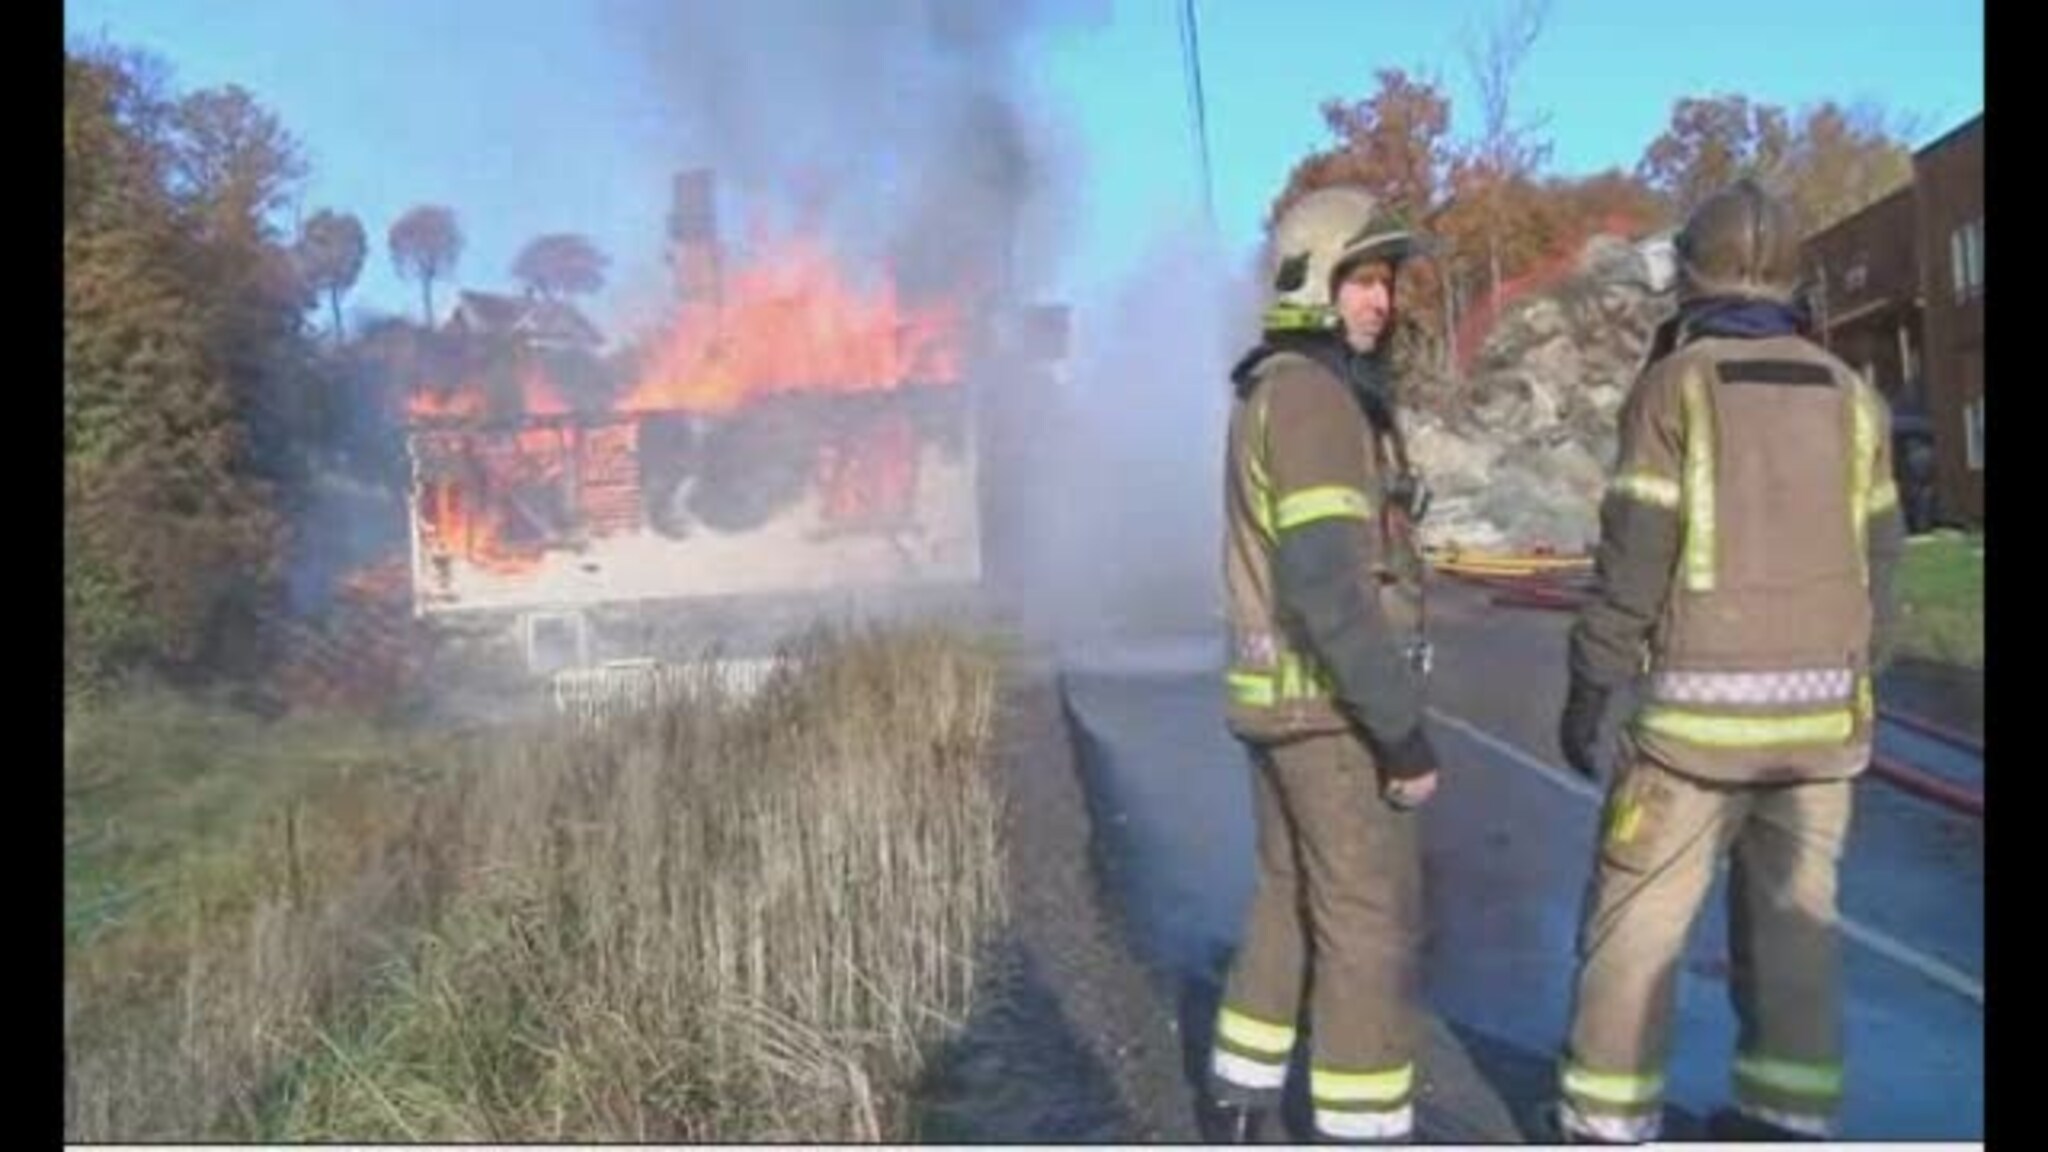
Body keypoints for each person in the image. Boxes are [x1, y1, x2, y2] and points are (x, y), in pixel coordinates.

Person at [1546, 177, 1905, 1143]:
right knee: (1796, 943)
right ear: (1796, 280)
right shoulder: (1855, 397)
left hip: (1688, 745)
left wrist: (1591, 687)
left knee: (1637, 935)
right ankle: (1783, 1123)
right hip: (1821, 740)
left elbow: (1633, 560)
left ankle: (1605, 1125)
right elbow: (1885, 562)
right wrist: (1854, 671)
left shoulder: (1676, 385)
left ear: (1692, 278)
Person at [1197, 185, 1441, 1145]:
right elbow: (1327, 587)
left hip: (1277, 708)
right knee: (1366, 923)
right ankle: (1362, 1127)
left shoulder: (1275, 390)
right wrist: (1401, 731)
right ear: (1312, 283)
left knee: (1287, 896)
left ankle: (1239, 1097)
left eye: (1387, 283)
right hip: (1330, 713)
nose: (1381, 301)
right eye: (1363, 281)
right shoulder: (1314, 401)